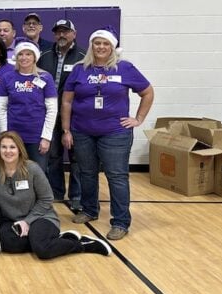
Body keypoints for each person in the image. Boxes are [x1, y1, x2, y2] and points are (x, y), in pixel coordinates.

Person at [61, 27, 154, 241]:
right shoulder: (79, 70)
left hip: (115, 133)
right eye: (97, 43)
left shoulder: (125, 68)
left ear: (112, 47)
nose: (101, 47)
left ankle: (120, 222)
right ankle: (89, 210)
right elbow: (67, 100)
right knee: (86, 172)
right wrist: (66, 129)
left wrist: (138, 119)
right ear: (91, 46)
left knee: (117, 177)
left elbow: (147, 92)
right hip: (82, 131)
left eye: (105, 44)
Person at [0, 132, 112, 259]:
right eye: (4, 147)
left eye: (12, 147)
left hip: (41, 217)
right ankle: (56, 239)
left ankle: (83, 244)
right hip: (12, 220)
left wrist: (27, 221)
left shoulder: (32, 168)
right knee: (9, 244)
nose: (8, 151)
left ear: (19, 149)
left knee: (42, 249)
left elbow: (46, 199)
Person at [38, 19, 86, 208]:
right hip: (50, 114)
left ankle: (77, 196)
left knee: (77, 158)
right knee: (53, 156)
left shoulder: (83, 56)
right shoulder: (44, 55)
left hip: (76, 116)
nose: (61, 35)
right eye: (58, 32)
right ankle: (56, 192)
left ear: (74, 34)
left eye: (65, 32)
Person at [0, 40, 57, 172]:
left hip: (36, 137)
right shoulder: (7, 78)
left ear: (35, 57)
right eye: (21, 54)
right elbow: (1, 109)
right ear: (16, 57)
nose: (24, 58)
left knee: (37, 173)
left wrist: (46, 137)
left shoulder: (46, 78)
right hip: (13, 136)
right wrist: (4, 135)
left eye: (28, 54)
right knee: (13, 172)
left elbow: (52, 110)